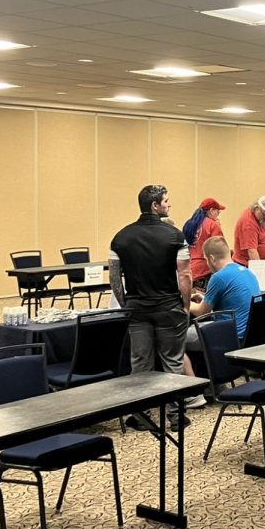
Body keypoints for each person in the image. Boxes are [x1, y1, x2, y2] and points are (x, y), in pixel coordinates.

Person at [108, 184, 192, 430]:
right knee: (172, 361)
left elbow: (114, 278)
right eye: (166, 201)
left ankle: (142, 416)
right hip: (169, 308)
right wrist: (185, 304)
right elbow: (185, 275)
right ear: (154, 206)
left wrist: (127, 303)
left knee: (141, 363)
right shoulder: (175, 236)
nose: (169, 204)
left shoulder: (120, 237)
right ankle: (176, 416)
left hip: (137, 309)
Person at [184, 236, 262, 379]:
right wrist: (204, 299)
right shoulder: (247, 272)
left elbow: (202, 312)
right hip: (248, 335)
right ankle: (215, 383)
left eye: (206, 260)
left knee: (176, 340)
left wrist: (185, 303)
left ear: (212, 258)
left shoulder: (218, 277)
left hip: (227, 336)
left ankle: (197, 388)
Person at [183, 198, 226, 290]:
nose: (218, 215)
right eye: (218, 212)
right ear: (211, 210)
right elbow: (218, 250)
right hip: (205, 270)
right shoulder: (212, 225)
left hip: (189, 269)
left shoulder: (189, 224)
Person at [232, 196, 265, 267]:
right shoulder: (248, 223)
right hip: (247, 265)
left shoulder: (258, 218)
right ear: (257, 208)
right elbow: (251, 251)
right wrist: (260, 272)